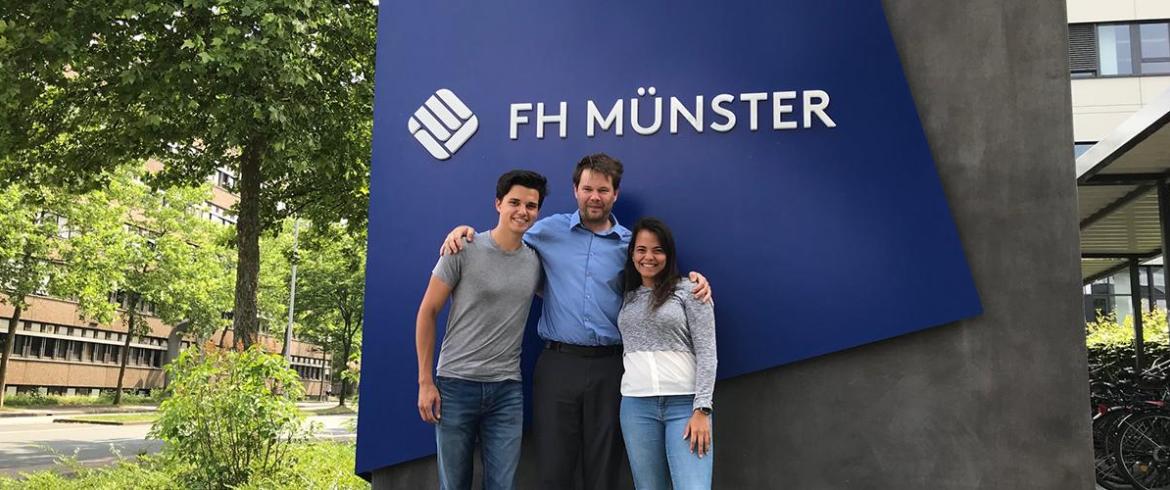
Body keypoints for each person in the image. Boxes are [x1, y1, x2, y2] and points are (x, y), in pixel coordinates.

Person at [441, 154, 712, 490]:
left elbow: (659, 280)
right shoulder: (545, 231)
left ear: (615, 194)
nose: (594, 196)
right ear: (575, 190)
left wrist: (695, 283)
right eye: (587, 189)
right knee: (554, 467)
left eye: (602, 190)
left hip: (611, 367)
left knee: (602, 470)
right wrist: (464, 233)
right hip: (558, 363)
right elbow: (503, 240)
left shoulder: (632, 246)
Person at [416, 169, 548, 490]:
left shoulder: (536, 262)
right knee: (455, 484)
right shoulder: (463, 248)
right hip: (455, 386)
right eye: (514, 202)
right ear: (498, 203)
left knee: (502, 485)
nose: (522, 211)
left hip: (506, 391)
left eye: (531, 206)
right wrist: (425, 382)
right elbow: (427, 312)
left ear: (538, 212)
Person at [617, 217, 716, 490]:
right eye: (641, 249)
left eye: (657, 250)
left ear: (668, 254)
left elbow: (708, 353)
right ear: (632, 254)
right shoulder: (626, 295)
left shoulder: (690, 291)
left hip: (684, 407)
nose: (649, 257)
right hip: (636, 407)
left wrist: (702, 409)